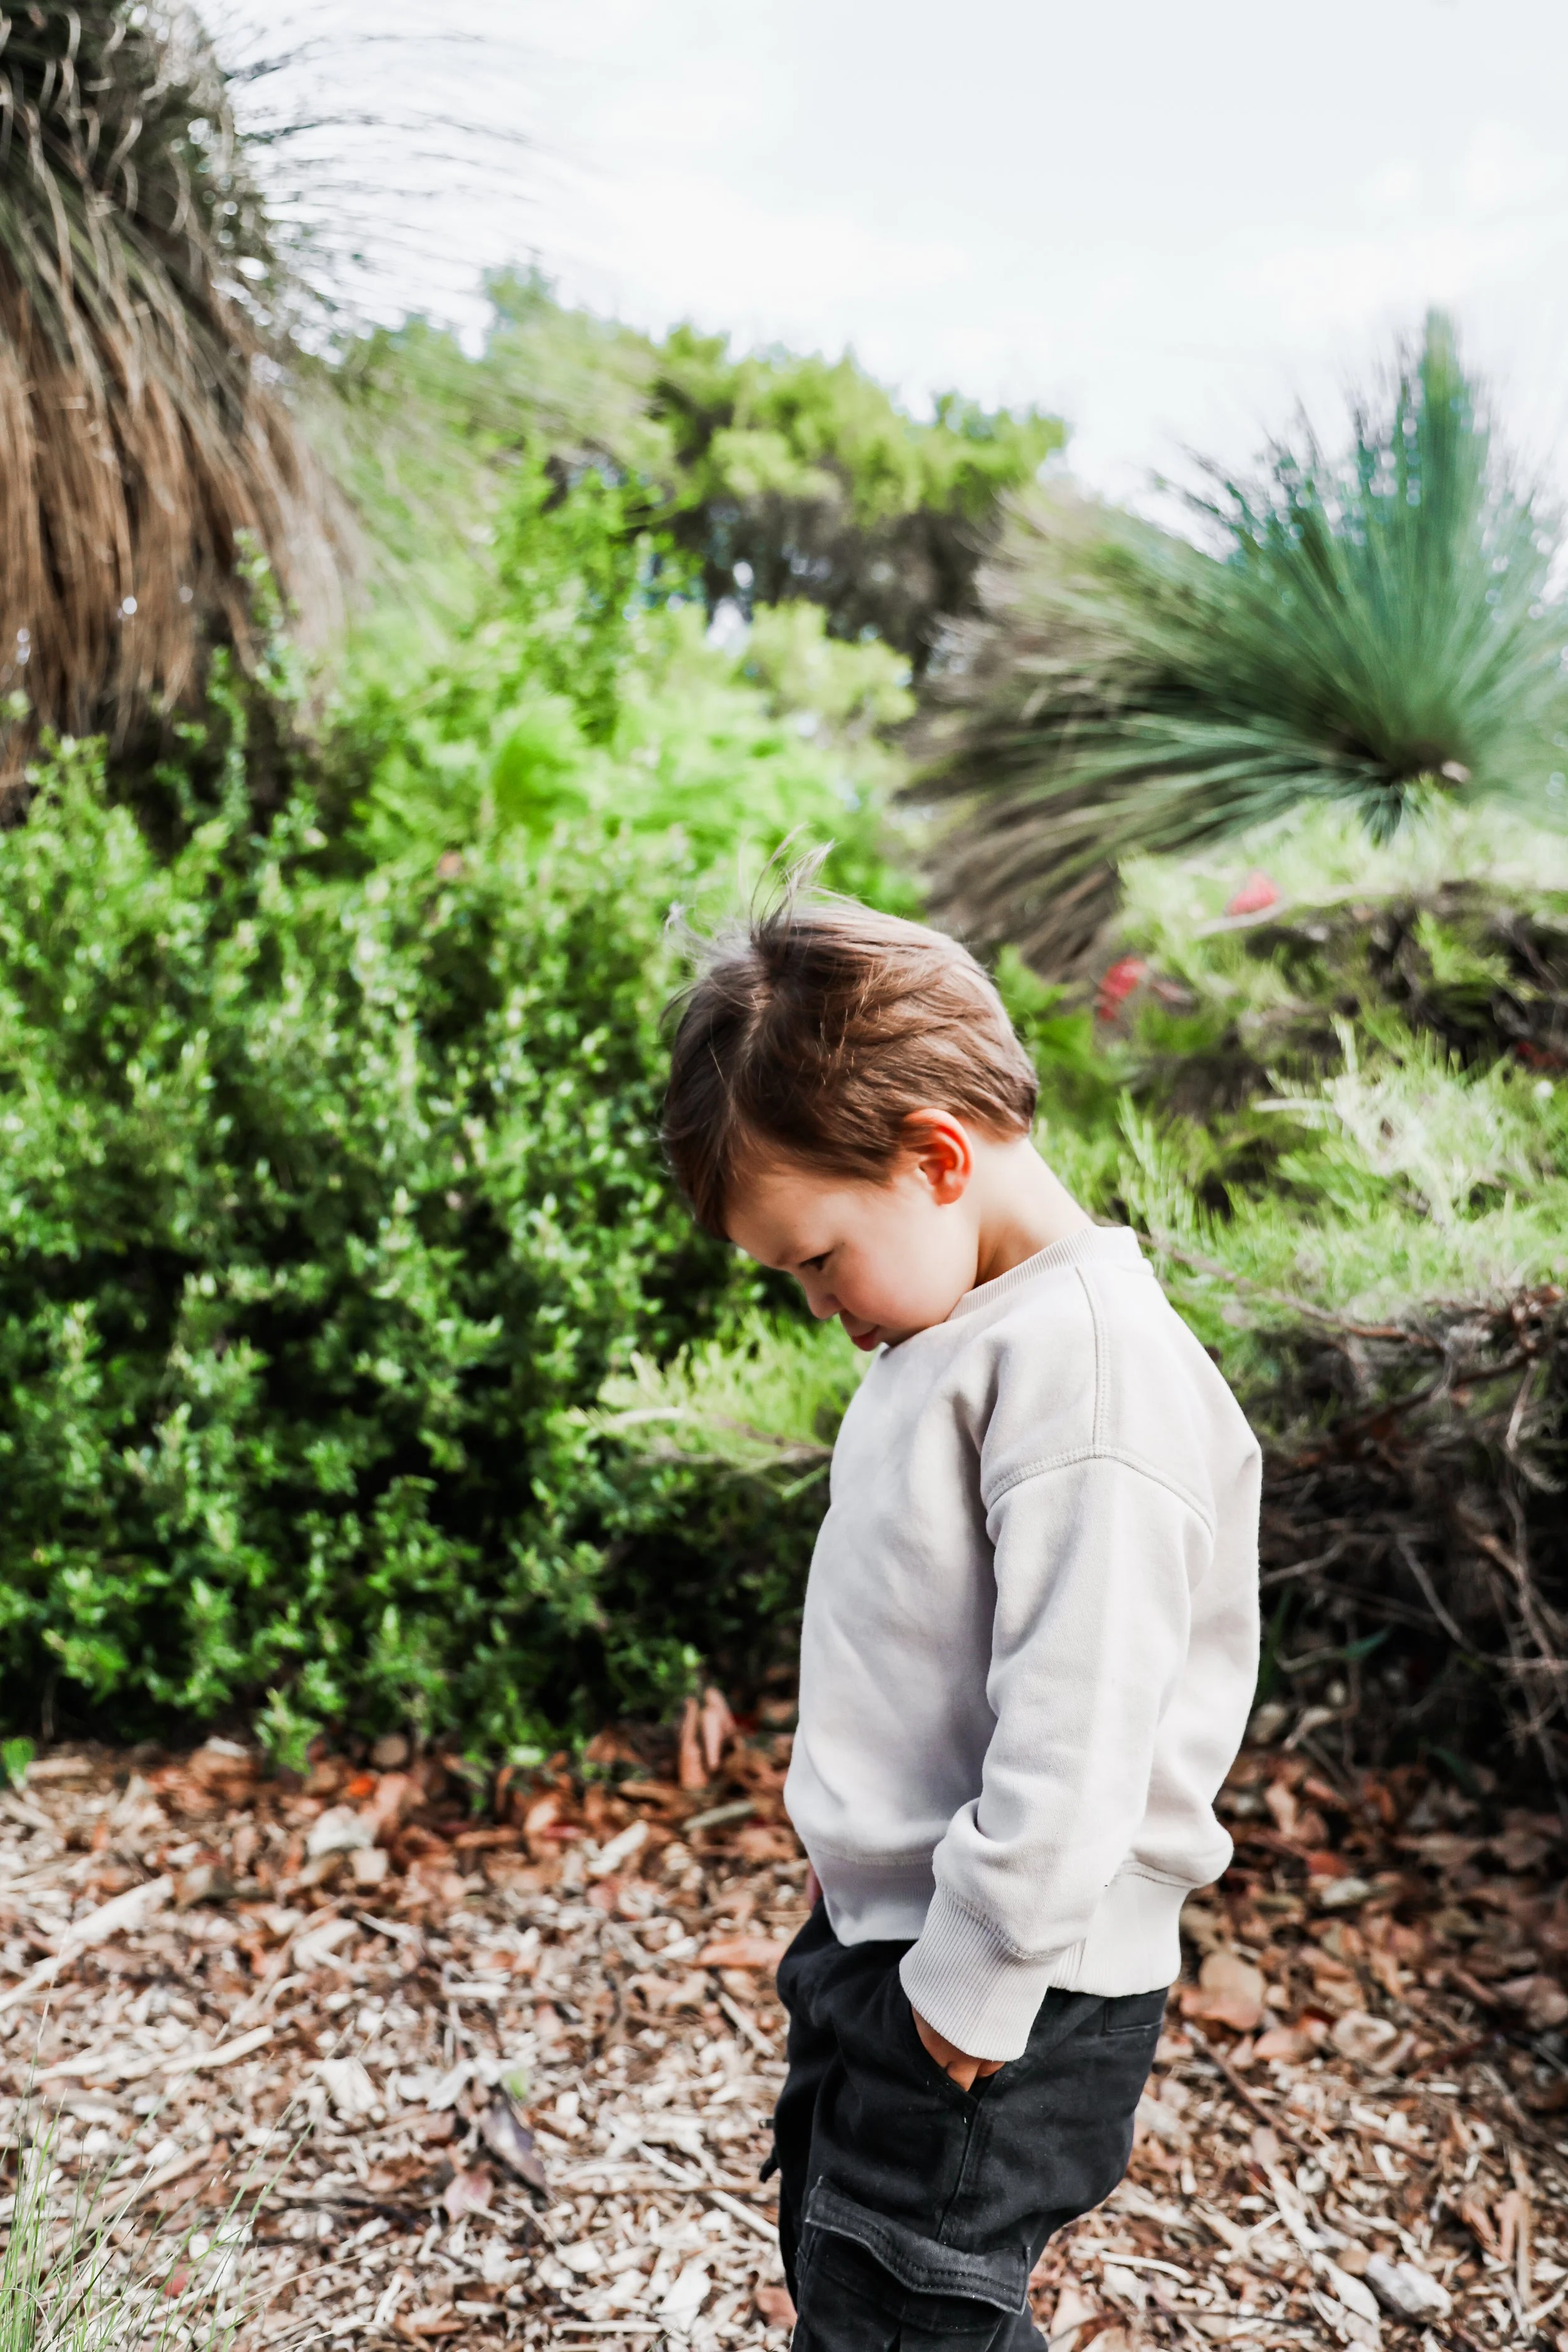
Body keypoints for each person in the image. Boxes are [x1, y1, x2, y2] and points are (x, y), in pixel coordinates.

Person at [660, 879, 1261, 2351]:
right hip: (898, 1947)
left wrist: (964, 1998)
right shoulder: (963, 1329)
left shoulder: (1088, 1375)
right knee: (850, 2272)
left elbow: (1080, 1728)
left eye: (813, 1258)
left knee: (906, 2310)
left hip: (1006, 1982)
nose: (815, 1304)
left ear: (935, 1158)